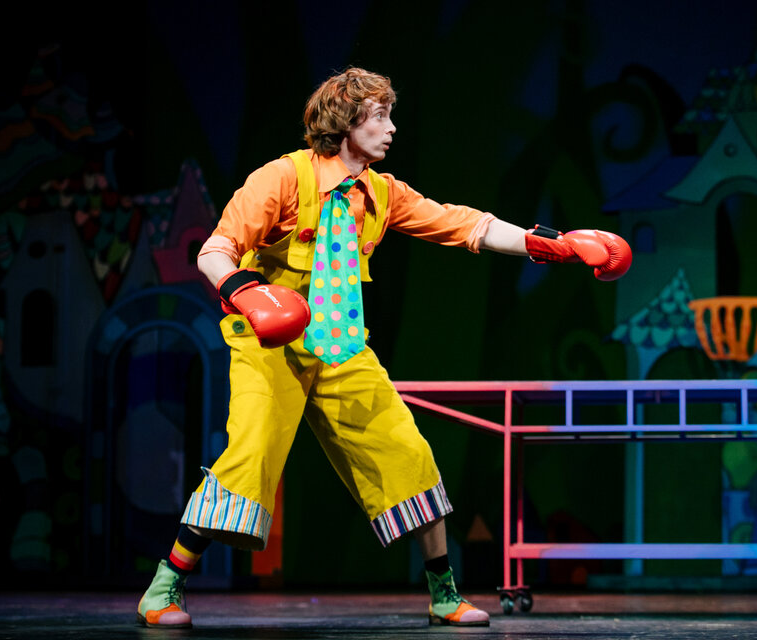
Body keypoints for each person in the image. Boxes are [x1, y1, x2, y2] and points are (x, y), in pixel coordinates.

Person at [136, 67, 631, 629]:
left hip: (342, 346)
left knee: (409, 455)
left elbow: (462, 224)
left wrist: (551, 245)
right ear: (345, 122)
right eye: (378, 117)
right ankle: (164, 586)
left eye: (389, 115)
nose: (391, 128)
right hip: (271, 345)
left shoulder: (380, 193)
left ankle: (443, 593)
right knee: (248, 458)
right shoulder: (282, 178)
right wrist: (247, 293)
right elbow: (214, 251)